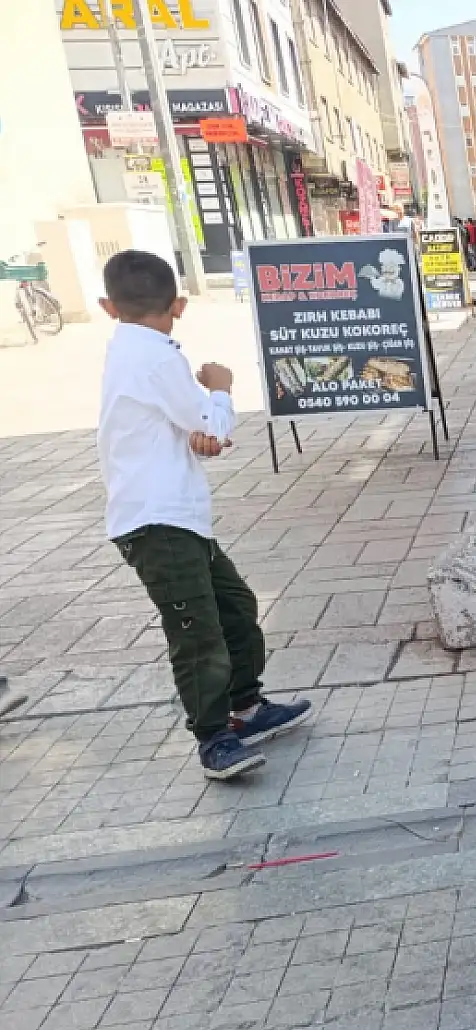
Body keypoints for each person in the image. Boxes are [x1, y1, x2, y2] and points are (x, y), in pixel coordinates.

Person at [97, 250, 311, 780]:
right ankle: (214, 738)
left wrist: (200, 435)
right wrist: (220, 386)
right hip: (158, 522)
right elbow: (210, 425)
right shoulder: (154, 356)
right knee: (196, 631)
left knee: (234, 605)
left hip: (176, 518)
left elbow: (187, 432)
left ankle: (248, 709)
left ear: (106, 306)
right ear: (180, 304)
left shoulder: (131, 350)